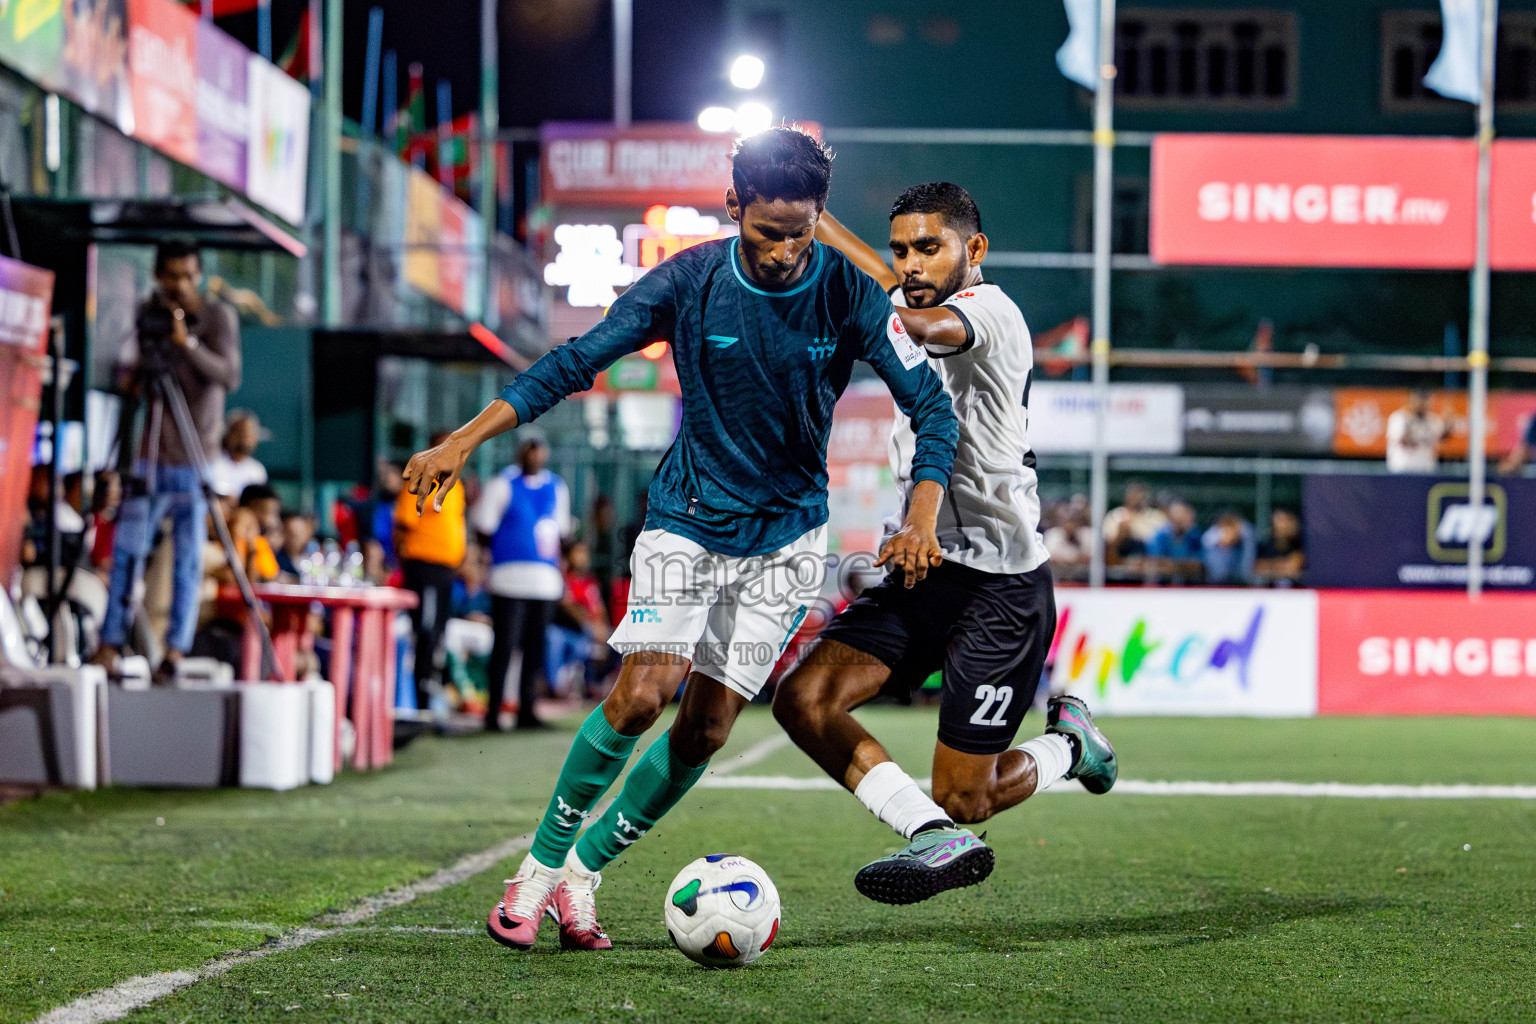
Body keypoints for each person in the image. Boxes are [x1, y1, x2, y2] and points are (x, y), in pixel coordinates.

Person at [402, 127, 958, 952]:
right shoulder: (688, 282)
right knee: (642, 692)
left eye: (801, 230)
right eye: (767, 231)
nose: (783, 250)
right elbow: (572, 362)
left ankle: (583, 876)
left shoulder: (848, 291)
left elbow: (931, 409)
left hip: (788, 540)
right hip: (687, 522)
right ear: (733, 207)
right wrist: (461, 440)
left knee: (704, 730)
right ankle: (537, 876)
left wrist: (920, 518)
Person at [771, 181, 1116, 907]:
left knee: (971, 796)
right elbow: (890, 300)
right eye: (900, 251)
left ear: (975, 249)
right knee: (804, 700)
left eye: (929, 247)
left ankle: (1070, 746)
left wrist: (822, 273)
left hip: (1001, 590)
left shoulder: (989, 313)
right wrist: (814, 220)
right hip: (924, 571)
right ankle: (930, 834)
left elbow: (913, 328)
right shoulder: (916, 299)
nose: (912, 263)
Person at [98, 239, 241, 680]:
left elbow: (230, 376)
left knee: (186, 562)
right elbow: (133, 375)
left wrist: (187, 343)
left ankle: (175, 650)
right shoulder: (147, 314)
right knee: (128, 551)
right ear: (158, 275)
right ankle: (110, 641)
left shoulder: (218, 317)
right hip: (151, 454)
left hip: (197, 456)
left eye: (188, 275)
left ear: (198, 274)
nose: (181, 285)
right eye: (172, 276)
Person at [471, 437, 570, 732]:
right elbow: (484, 527)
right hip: (509, 579)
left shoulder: (557, 486)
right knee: (504, 647)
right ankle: (493, 713)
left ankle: (527, 709)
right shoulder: (502, 484)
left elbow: (561, 531)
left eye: (539, 449)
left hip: (544, 582)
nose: (534, 455)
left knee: (535, 648)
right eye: (529, 449)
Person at [393, 432, 466, 714]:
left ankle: (430, 698)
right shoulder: (422, 476)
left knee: (437, 633)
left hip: (446, 570)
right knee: (425, 632)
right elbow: (403, 525)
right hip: (425, 567)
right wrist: (406, 564)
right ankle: (421, 704)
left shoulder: (454, 484)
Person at [208, 410, 268, 500]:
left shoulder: (258, 469)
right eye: (239, 432)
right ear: (228, 434)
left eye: (248, 434)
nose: (243, 438)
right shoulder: (212, 462)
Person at [1385, 389, 1447, 474]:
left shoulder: (1432, 419)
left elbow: (1442, 437)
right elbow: (1403, 439)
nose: (1423, 404)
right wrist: (1409, 421)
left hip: (1426, 470)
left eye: (1425, 400)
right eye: (1420, 400)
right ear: (1412, 400)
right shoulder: (1399, 417)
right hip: (1402, 470)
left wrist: (1448, 426)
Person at [1144, 499, 1205, 583]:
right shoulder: (1160, 535)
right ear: (1170, 516)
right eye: (1178, 514)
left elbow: (1198, 564)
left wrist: (1174, 565)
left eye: (1184, 514)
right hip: (1163, 582)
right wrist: (1183, 566)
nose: (1181, 518)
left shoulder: (1193, 535)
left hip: (1188, 582)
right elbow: (1158, 563)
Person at [1103, 480, 1166, 562]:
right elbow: (1109, 542)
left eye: (1140, 493)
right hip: (1123, 555)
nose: (1137, 498)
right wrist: (1122, 532)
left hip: (1149, 557)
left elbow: (1163, 539)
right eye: (1133, 494)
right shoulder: (1115, 515)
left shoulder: (1156, 516)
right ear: (1126, 496)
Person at [1254, 507, 1305, 586]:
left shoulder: (1298, 542)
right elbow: (1258, 567)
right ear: (1273, 522)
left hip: (1295, 590)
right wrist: (1283, 565)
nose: (1283, 524)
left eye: (1286, 520)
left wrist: (1270, 566)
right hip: (1268, 590)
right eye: (1280, 520)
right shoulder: (1265, 543)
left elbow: (1294, 566)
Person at [1202, 511, 1256, 585]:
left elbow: (1245, 574)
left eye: (1231, 529)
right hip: (1216, 585)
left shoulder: (1244, 543)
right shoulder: (1212, 544)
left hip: (1241, 584)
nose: (1228, 533)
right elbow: (1216, 575)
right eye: (1225, 530)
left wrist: (1240, 531)